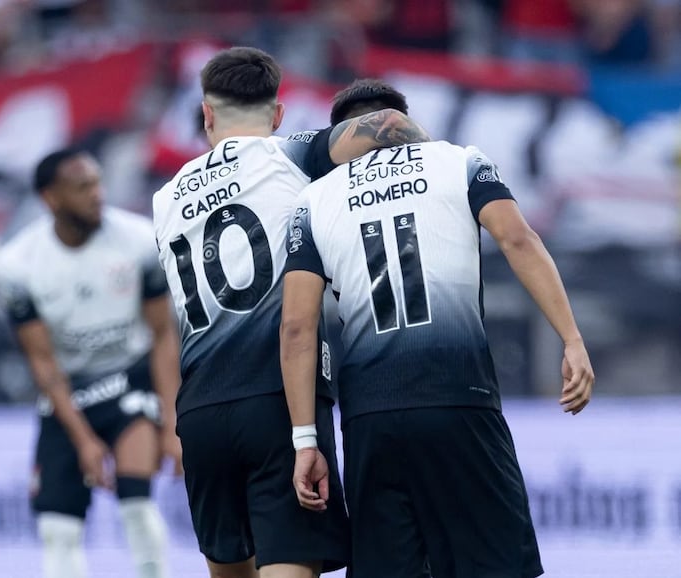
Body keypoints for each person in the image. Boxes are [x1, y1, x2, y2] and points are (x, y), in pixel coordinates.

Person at [152, 46, 428, 578]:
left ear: (206, 114)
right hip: (278, 400)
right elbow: (391, 123)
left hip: (201, 411)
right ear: (277, 115)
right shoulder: (290, 154)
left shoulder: (166, 198)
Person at [280, 134, 595, 576]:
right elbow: (518, 240)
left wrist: (305, 441)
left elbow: (296, 326)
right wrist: (572, 339)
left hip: (370, 418)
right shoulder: (459, 161)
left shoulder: (314, 199)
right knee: (493, 565)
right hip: (459, 401)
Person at [0, 147, 181, 578]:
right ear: (51, 198)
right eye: (83, 187)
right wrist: (84, 441)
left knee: (136, 506)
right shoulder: (16, 265)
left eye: (98, 183)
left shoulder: (138, 240)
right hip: (68, 391)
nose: (98, 194)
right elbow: (43, 364)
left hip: (131, 379)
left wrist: (172, 423)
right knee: (57, 531)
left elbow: (161, 335)